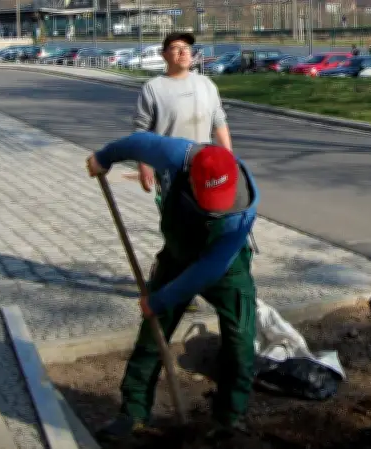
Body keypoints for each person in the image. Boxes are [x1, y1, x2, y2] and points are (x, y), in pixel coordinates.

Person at [85, 131, 259, 443]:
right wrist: (103, 157)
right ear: (192, 178)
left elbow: (208, 270)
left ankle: (229, 420)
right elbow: (134, 143)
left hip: (226, 266)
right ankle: (133, 414)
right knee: (152, 334)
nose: (215, 209)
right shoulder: (173, 154)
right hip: (177, 255)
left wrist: (161, 299)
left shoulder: (242, 210)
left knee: (241, 342)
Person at [134, 31, 233, 312]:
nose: (183, 52)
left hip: (205, 172)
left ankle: (188, 284)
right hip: (171, 174)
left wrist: (229, 160)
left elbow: (219, 122)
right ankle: (169, 284)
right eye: (175, 48)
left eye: (187, 48)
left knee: (205, 230)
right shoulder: (154, 88)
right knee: (178, 233)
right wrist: (144, 166)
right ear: (164, 55)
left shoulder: (206, 85)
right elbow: (142, 131)